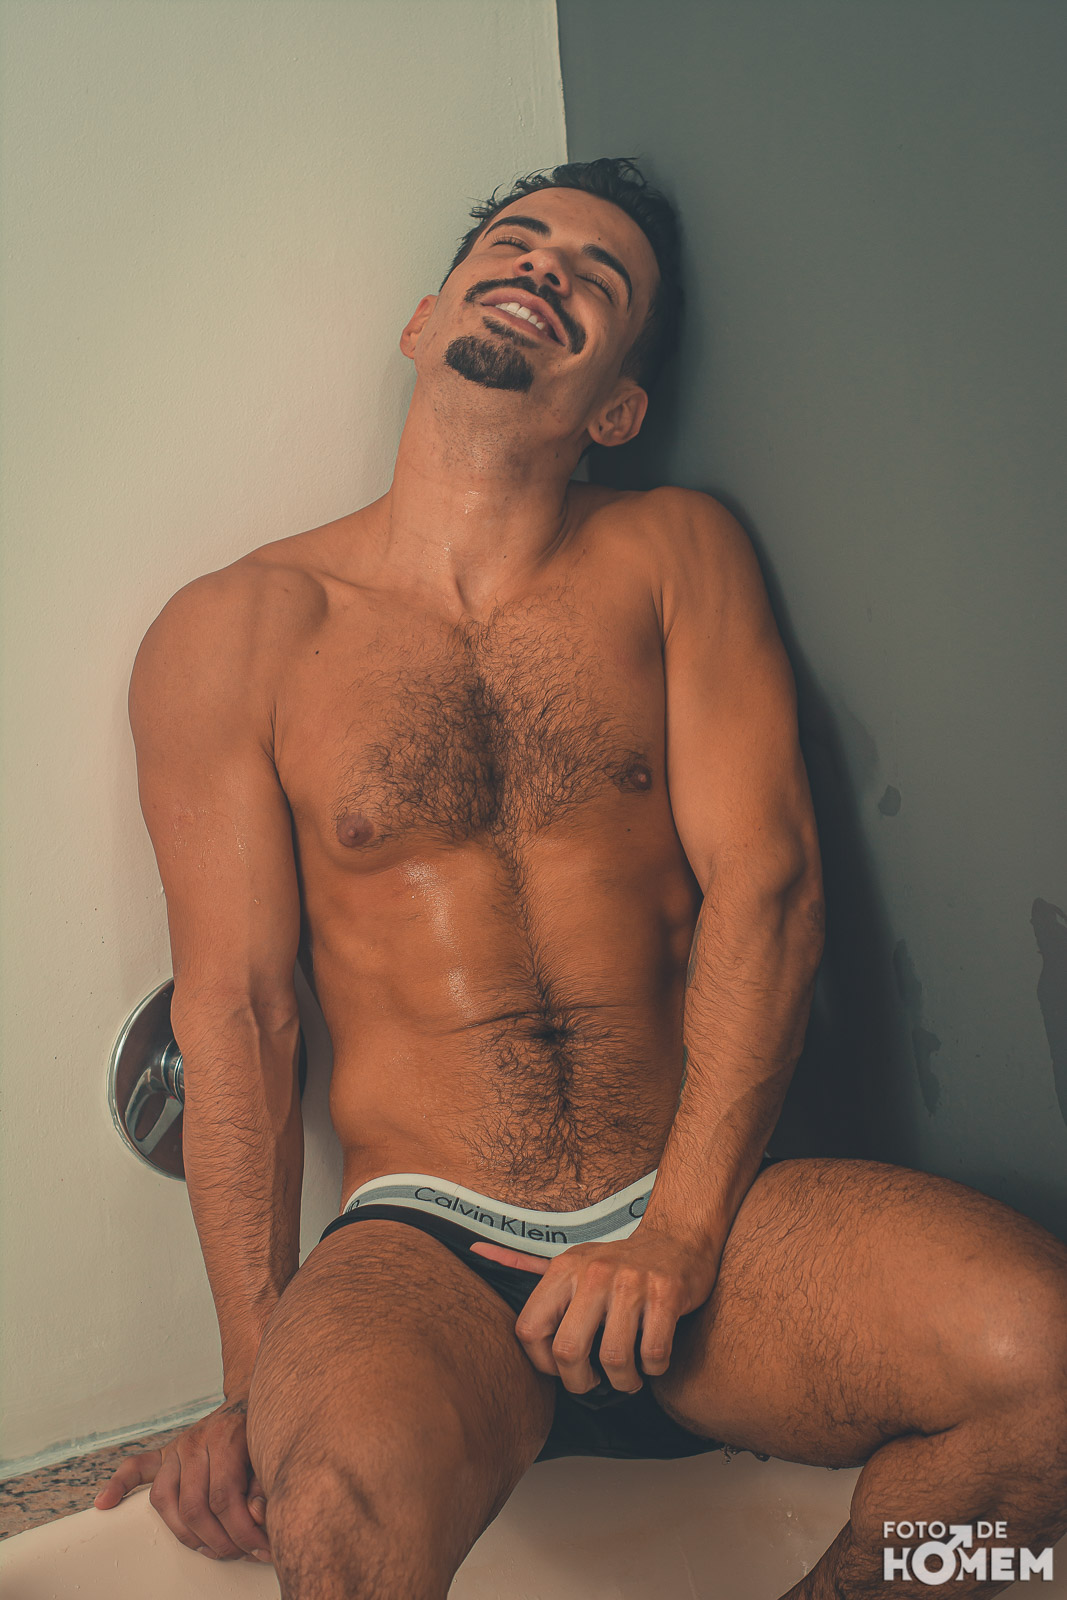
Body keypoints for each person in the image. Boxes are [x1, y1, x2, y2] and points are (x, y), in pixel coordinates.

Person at [95, 158, 1067, 1599]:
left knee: (1050, 1376)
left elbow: (769, 890)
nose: (546, 268)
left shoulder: (674, 552)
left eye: (596, 278)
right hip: (428, 1253)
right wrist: (256, 1375)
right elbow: (237, 1011)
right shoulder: (234, 630)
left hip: (711, 1218)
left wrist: (678, 1234)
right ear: (425, 322)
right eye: (516, 243)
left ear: (615, 406)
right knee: (334, 1506)